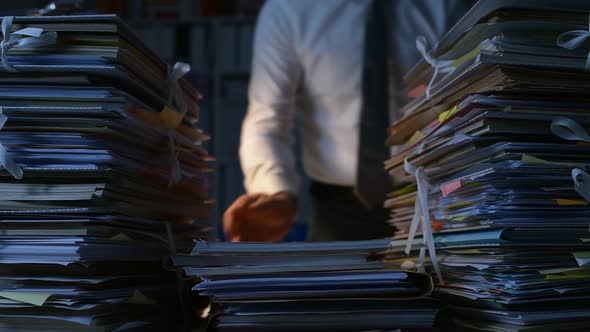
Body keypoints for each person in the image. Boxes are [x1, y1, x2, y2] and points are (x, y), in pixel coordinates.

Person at [223, 0, 466, 242]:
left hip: (435, 201)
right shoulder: (289, 10)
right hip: (336, 212)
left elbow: (467, 101)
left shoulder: (443, 6)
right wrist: (275, 191)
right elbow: (266, 121)